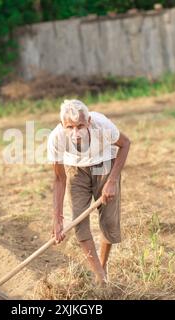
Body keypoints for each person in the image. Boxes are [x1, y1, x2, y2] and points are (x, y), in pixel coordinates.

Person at [47, 99, 131, 284]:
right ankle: (100, 276)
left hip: (105, 165)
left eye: (80, 126)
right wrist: (57, 218)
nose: (75, 133)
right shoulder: (56, 138)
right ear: (63, 125)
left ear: (89, 122)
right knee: (79, 222)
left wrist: (112, 180)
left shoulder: (102, 125)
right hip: (76, 170)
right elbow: (60, 179)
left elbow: (125, 144)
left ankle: (103, 264)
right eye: (70, 127)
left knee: (108, 222)